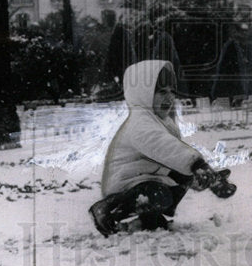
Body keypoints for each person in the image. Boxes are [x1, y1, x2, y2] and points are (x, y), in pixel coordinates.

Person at [89, 59, 236, 236]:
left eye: (171, 92)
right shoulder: (140, 122)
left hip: (148, 179)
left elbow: (171, 161)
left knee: (179, 182)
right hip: (125, 185)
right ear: (143, 93)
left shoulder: (162, 122)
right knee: (159, 194)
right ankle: (107, 209)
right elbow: (165, 147)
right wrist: (197, 165)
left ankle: (150, 218)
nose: (169, 98)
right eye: (161, 92)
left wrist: (206, 178)